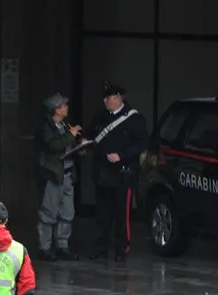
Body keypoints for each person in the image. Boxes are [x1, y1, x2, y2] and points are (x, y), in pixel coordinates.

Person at [83, 81, 149, 262]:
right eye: (105, 98)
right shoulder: (100, 117)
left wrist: (122, 155)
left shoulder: (134, 119)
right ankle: (102, 247)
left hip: (122, 174)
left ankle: (122, 249)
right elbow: (90, 135)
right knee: (103, 215)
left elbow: (141, 142)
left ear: (119, 99)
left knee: (122, 215)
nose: (105, 101)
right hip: (103, 175)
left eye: (109, 98)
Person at [35, 93, 80, 261]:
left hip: (67, 175)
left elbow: (67, 145)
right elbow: (53, 145)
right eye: (64, 106)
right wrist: (71, 134)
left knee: (67, 212)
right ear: (57, 110)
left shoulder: (64, 124)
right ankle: (44, 247)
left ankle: (62, 245)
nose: (67, 108)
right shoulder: (46, 127)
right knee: (48, 212)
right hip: (53, 176)